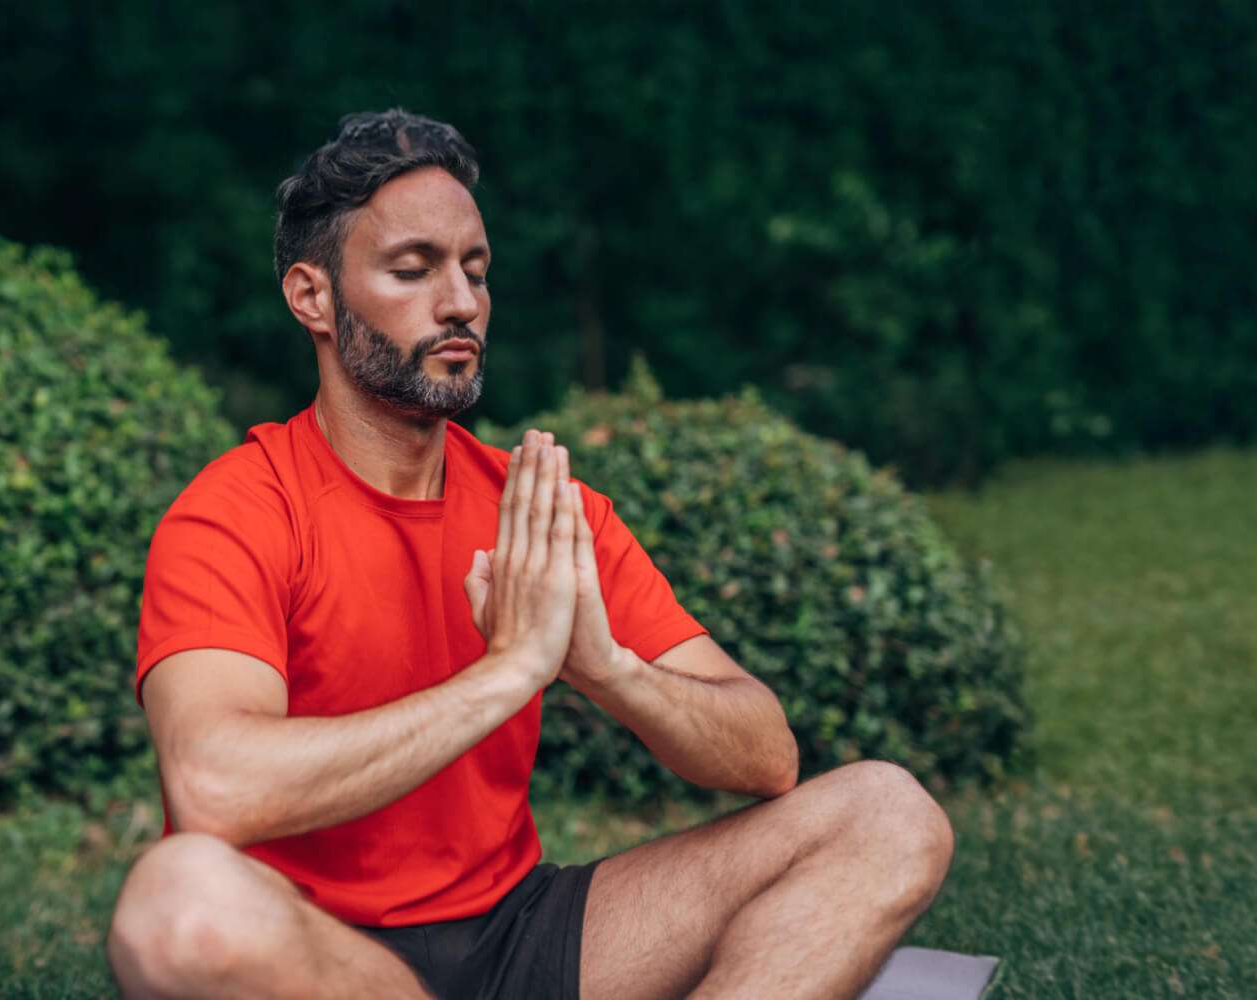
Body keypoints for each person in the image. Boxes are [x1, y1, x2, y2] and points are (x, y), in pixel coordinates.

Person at [106, 109, 954, 1000]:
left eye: (476, 270)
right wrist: (509, 673)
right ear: (312, 297)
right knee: (177, 904)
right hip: (323, 958)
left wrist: (610, 669)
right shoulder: (238, 511)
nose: (462, 302)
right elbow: (213, 786)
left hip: (524, 937)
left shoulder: (539, 509)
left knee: (887, 814)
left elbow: (765, 753)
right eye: (413, 269)